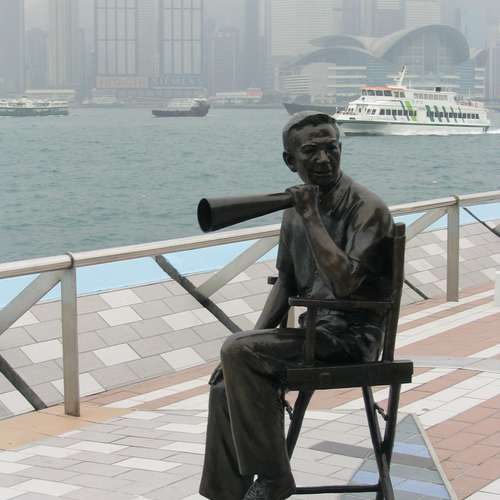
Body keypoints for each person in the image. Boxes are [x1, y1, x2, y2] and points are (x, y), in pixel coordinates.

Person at [199, 112, 394, 500]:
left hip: (353, 339)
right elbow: (286, 282)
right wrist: (249, 340)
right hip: (313, 334)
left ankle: (275, 479)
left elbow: (344, 284)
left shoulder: (367, 208)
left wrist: (311, 216)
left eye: (331, 148)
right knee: (225, 382)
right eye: (311, 151)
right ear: (291, 161)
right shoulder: (295, 211)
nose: (323, 159)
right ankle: (226, 495)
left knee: (238, 353)